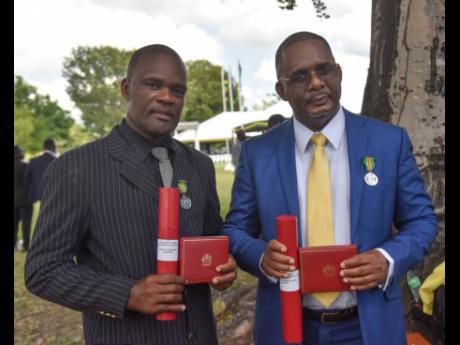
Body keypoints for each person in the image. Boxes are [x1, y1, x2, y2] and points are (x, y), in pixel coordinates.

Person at [222, 31, 438, 345]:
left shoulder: (388, 142)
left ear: (338, 74)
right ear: (281, 90)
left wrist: (388, 259)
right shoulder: (259, 153)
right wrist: (260, 257)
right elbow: (235, 229)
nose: (315, 83)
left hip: (369, 327)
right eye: (299, 76)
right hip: (288, 327)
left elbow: (422, 221)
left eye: (323, 70)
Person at [25, 44, 237, 345]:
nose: (166, 97)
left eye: (177, 90)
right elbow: (42, 271)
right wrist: (128, 294)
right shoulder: (77, 168)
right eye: (153, 85)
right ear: (127, 88)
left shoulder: (199, 166)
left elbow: (212, 240)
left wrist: (223, 267)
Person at [24, 138, 57, 202]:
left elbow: (26, 178)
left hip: (37, 194)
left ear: (43, 147)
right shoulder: (57, 160)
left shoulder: (33, 161)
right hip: (54, 194)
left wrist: (36, 185)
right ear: (54, 147)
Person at [14, 145, 33, 252]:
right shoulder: (26, 166)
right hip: (26, 199)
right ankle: (26, 245)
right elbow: (31, 181)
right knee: (26, 224)